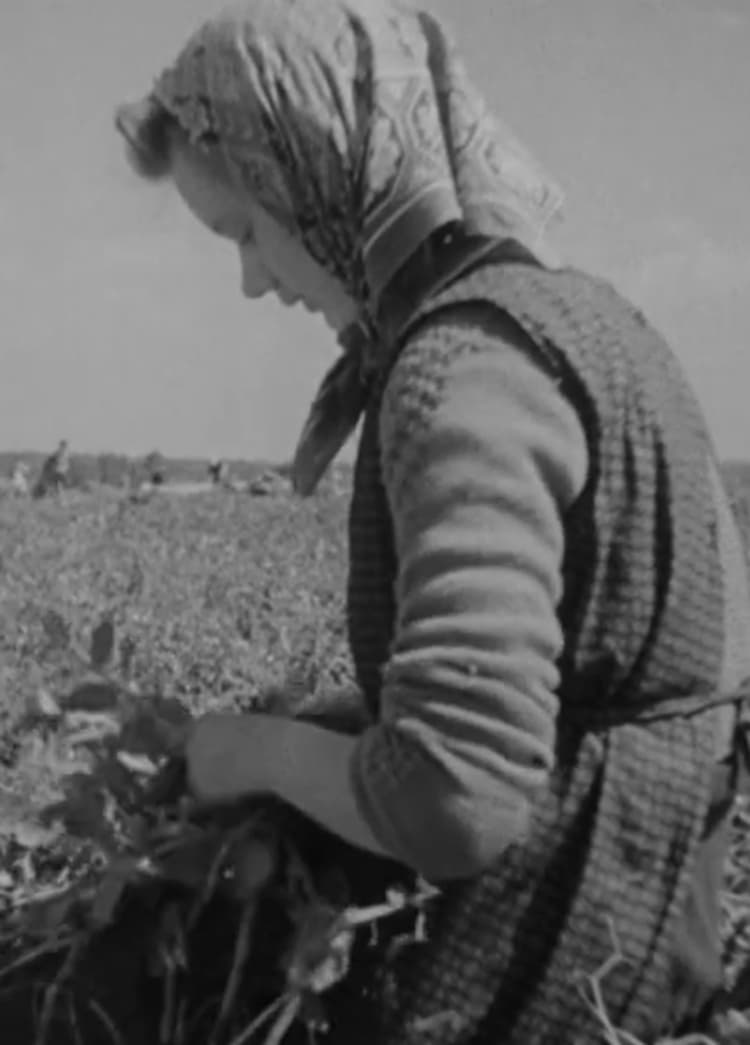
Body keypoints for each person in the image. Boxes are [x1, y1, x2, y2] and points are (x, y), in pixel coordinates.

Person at [114, 1, 750, 1041]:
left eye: (246, 231)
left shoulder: (458, 372)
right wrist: (344, 720)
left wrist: (257, 750)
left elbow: (455, 798)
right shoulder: (576, 315)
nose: (254, 280)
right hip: (656, 897)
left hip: (569, 945)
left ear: (311, 171)